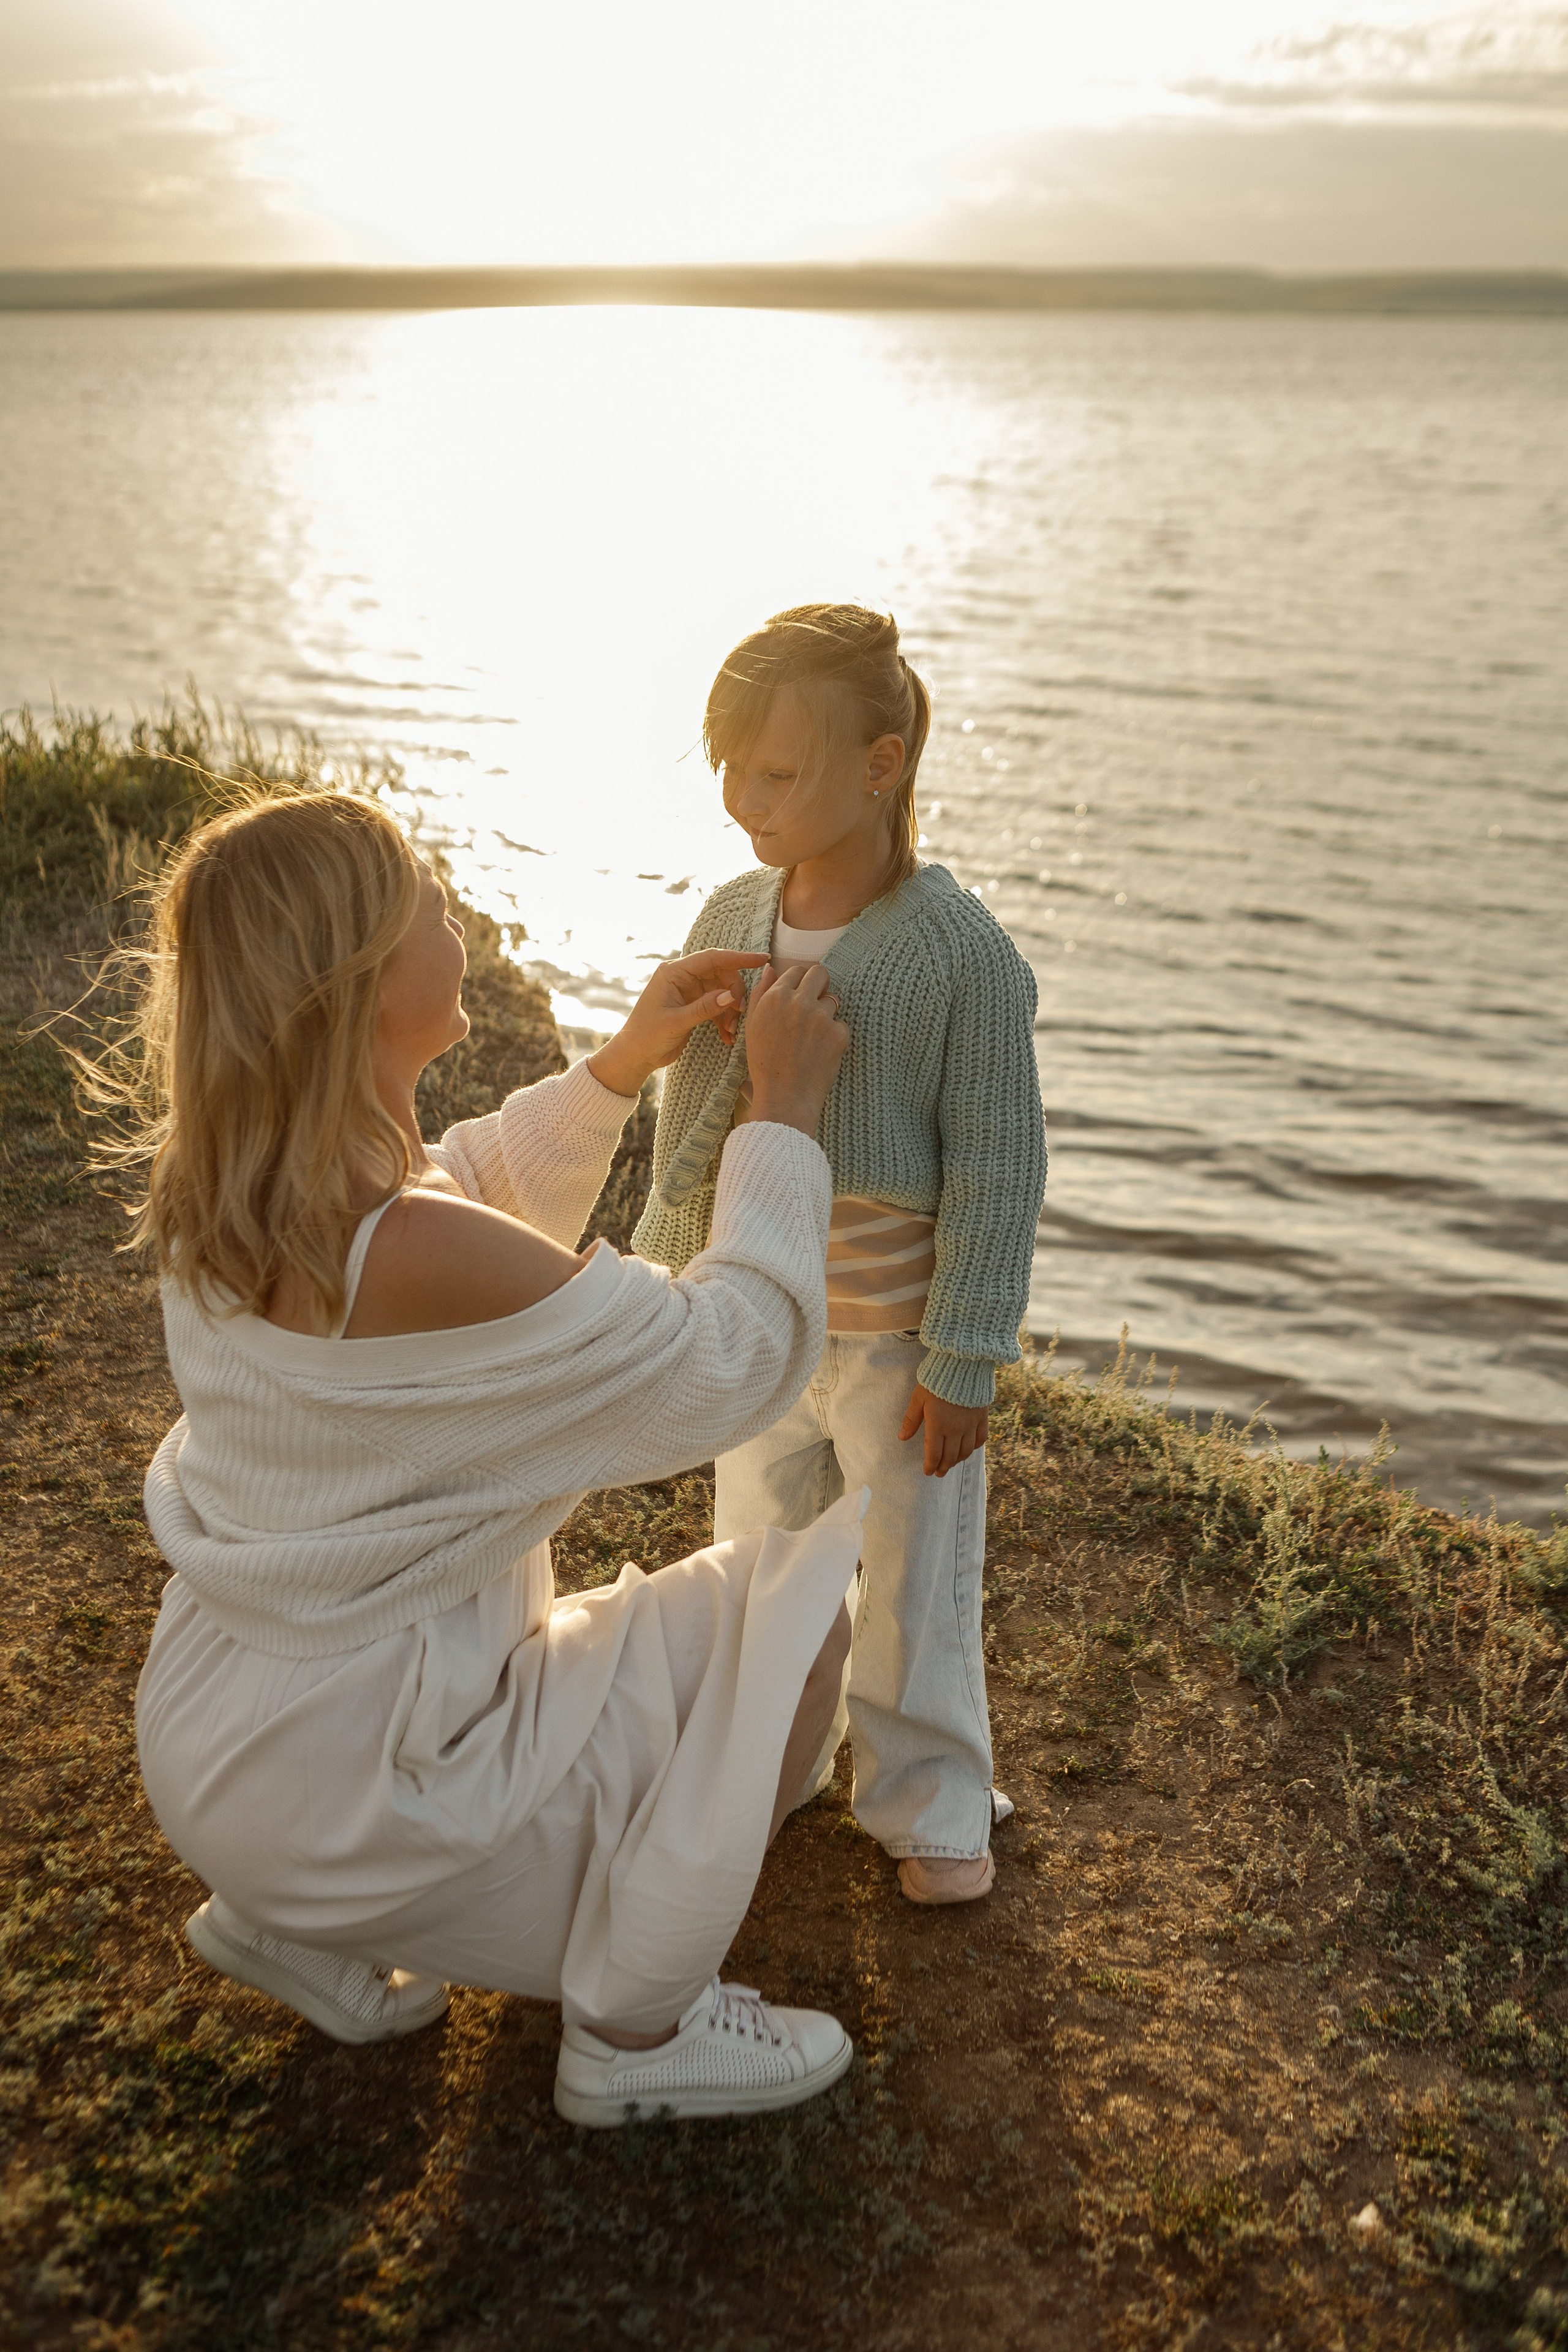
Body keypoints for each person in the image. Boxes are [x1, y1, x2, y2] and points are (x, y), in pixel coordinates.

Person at [118, 786, 864, 2126]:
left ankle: (300, 1927)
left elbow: (468, 1195)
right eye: (436, 907)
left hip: (219, 1745)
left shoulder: (228, 1193)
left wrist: (620, 1066)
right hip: (368, 1788)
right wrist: (782, 1112)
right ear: (356, 984)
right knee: (807, 1616)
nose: (460, 924)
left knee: (587, 1643)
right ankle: (635, 2035)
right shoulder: (402, 1246)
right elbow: (731, 1360)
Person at [634, 605, 1047, 1905]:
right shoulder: (733, 908)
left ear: (881, 764)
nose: (738, 799)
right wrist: (674, 1264)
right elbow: (690, 1119)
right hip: (759, 1320)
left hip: (890, 1338)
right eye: (728, 768)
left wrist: (966, 1352)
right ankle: (771, 1764)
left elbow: (997, 1163)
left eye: (772, 772)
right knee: (760, 1558)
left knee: (916, 1578)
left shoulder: (957, 953)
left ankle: (926, 1802)